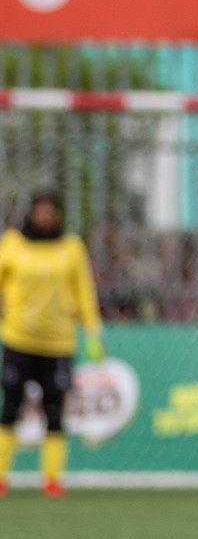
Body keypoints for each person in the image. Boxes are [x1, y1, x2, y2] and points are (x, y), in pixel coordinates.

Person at [0, 190, 106, 498]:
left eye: (51, 211)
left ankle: (52, 480)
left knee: (55, 408)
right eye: (40, 210)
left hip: (58, 341)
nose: (45, 216)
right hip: (19, 337)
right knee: (11, 406)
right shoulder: (13, 244)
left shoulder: (71, 247)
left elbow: (84, 289)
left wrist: (93, 330)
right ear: (30, 212)